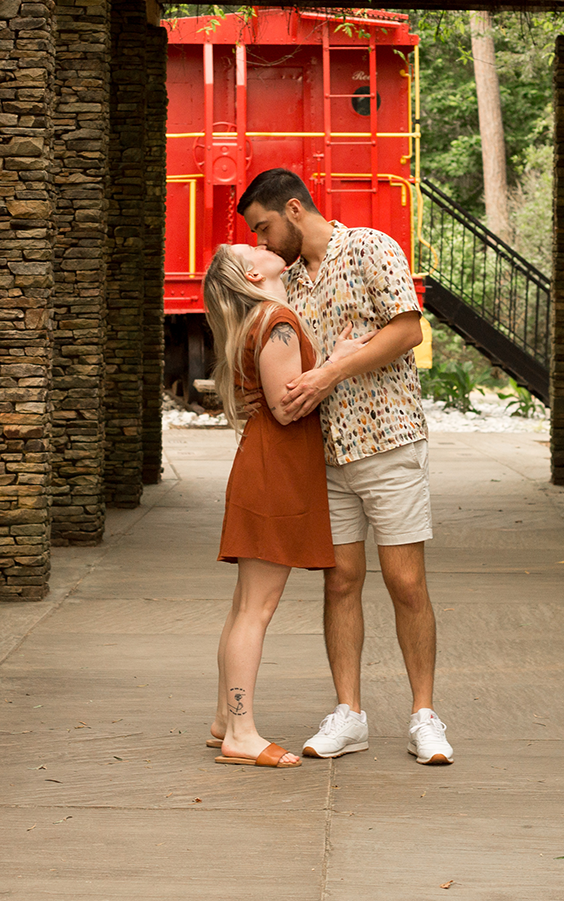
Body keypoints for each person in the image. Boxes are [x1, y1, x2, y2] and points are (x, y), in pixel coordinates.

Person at [236, 168, 454, 767]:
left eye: (264, 227)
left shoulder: (369, 247)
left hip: (388, 442)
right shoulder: (286, 287)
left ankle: (424, 716)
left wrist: (332, 371)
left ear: (296, 209)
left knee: (406, 582)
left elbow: (407, 329)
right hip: (325, 456)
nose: (261, 240)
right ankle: (350, 714)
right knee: (341, 583)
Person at [201, 243, 357, 768]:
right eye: (254, 247)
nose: (265, 246)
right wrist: (338, 360)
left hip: (263, 469)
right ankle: (241, 734)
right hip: (275, 476)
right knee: (256, 611)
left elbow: (269, 400)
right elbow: (288, 408)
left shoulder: (259, 319)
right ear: (252, 272)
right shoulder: (278, 319)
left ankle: (226, 718)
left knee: (244, 607)